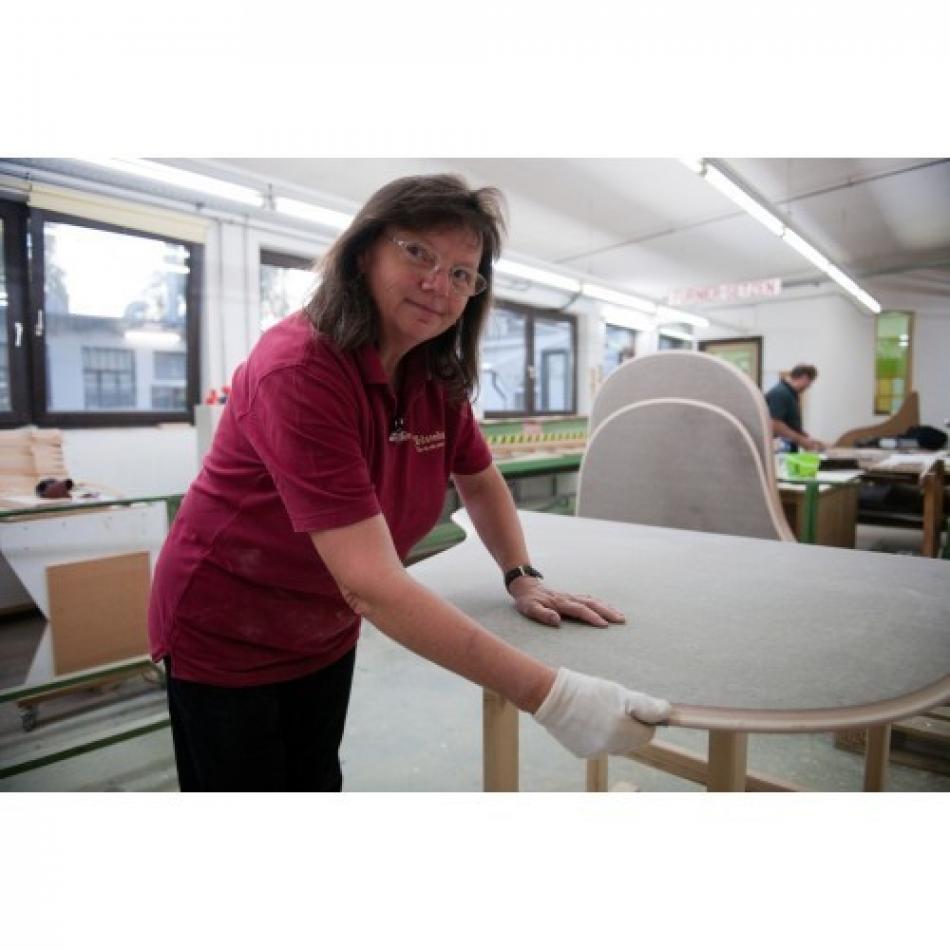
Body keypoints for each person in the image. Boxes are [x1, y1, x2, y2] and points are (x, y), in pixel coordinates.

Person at [148, 174, 670, 791]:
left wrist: (521, 574)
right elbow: (371, 582)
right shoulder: (300, 370)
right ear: (363, 252)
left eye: (461, 274)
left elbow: (480, 480)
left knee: (314, 780)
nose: (438, 285)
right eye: (418, 253)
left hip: (323, 625)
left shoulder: (431, 373)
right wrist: (554, 698)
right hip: (229, 627)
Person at [764, 363, 826, 452]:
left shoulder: (790, 394)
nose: (809, 386)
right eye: (810, 382)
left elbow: (789, 424)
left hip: (788, 450)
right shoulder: (780, 393)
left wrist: (805, 437)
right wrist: (801, 440)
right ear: (804, 377)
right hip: (780, 451)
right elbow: (775, 424)